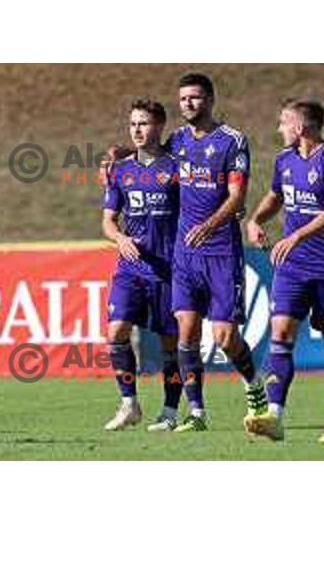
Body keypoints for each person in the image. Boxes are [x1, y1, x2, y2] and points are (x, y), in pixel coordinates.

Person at [244, 98, 324, 442]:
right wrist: (256, 219)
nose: (279, 129)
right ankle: (274, 417)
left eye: (283, 123)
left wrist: (296, 235)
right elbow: (276, 194)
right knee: (280, 337)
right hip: (292, 267)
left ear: (300, 127)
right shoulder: (284, 160)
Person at [165, 72, 267, 432]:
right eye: (182, 99)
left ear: (209, 100)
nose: (187, 104)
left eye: (194, 98)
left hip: (221, 252)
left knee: (225, 338)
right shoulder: (175, 140)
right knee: (187, 332)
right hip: (184, 254)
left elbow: (237, 196)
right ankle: (196, 412)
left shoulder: (232, 140)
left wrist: (209, 225)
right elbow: (152, 165)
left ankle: (254, 386)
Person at [102, 99, 182, 432]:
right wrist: (119, 239)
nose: (137, 129)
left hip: (169, 268)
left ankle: (170, 410)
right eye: (133, 123)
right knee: (116, 331)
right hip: (131, 267)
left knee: (170, 345)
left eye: (144, 123)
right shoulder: (119, 170)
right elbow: (108, 221)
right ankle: (129, 403)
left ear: (160, 126)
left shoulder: (178, 168)